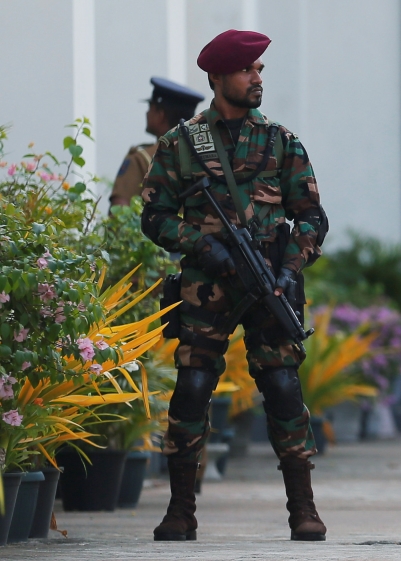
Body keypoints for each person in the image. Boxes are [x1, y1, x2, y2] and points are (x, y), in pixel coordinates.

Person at [141, 29, 328, 541]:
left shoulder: (281, 141)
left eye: (259, 69)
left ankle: (303, 509)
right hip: (207, 284)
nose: (257, 77)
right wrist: (203, 247)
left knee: (283, 387)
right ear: (217, 77)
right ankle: (180, 511)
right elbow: (154, 216)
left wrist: (289, 269)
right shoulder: (182, 143)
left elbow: (312, 217)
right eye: (247, 70)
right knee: (193, 388)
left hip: (269, 283)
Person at [110, 77, 203, 207]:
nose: (147, 113)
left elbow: (119, 211)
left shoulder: (141, 160)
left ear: (160, 115)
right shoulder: (205, 156)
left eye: (150, 107)